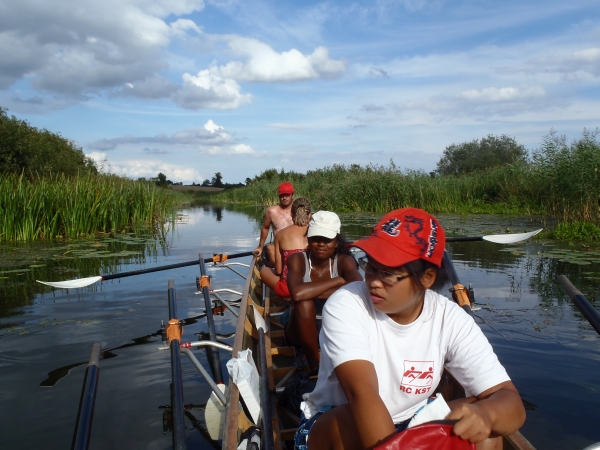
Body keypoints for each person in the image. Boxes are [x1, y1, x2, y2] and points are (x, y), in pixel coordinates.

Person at [296, 208, 526, 450]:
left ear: (426, 278)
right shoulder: (346, 304)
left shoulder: (450, 318)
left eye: (387, 273)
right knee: (349, 420)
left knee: (485, 430)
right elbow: (362, 395)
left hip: (411, 419)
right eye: (370, 266)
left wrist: (487, 415)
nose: (373, 281)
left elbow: (509, 400)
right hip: (335, 422)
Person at [286, 211, 363, 371]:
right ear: (308, 238)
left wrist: (309, 290)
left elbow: (358, 288)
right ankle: (315, 367)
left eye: (327, 239)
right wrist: (338, 281)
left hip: (334, 327)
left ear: (336, 242)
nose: (321, 244)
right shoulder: (297, 259)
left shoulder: (344, 261)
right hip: (299, 329)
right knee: (304, 304)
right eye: (316, 238)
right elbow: (297, 294)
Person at [260, 197, 312, 298]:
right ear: (310, 214)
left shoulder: (280, 235)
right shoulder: (317, 233)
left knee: (264, 270)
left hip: (288, 289)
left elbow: (279, 271)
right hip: (312, 286)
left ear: (291, 214)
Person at [253, 181, 295, 264]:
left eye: (287, 195)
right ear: (279, 196)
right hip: (278, 247)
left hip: (296, 246)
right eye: (282, 195)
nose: (284, 198)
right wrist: (260, 247)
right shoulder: (271, 211)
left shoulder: (298, 210)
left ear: (293, 195)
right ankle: (276, 271)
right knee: (269, 248)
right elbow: (265, 228)